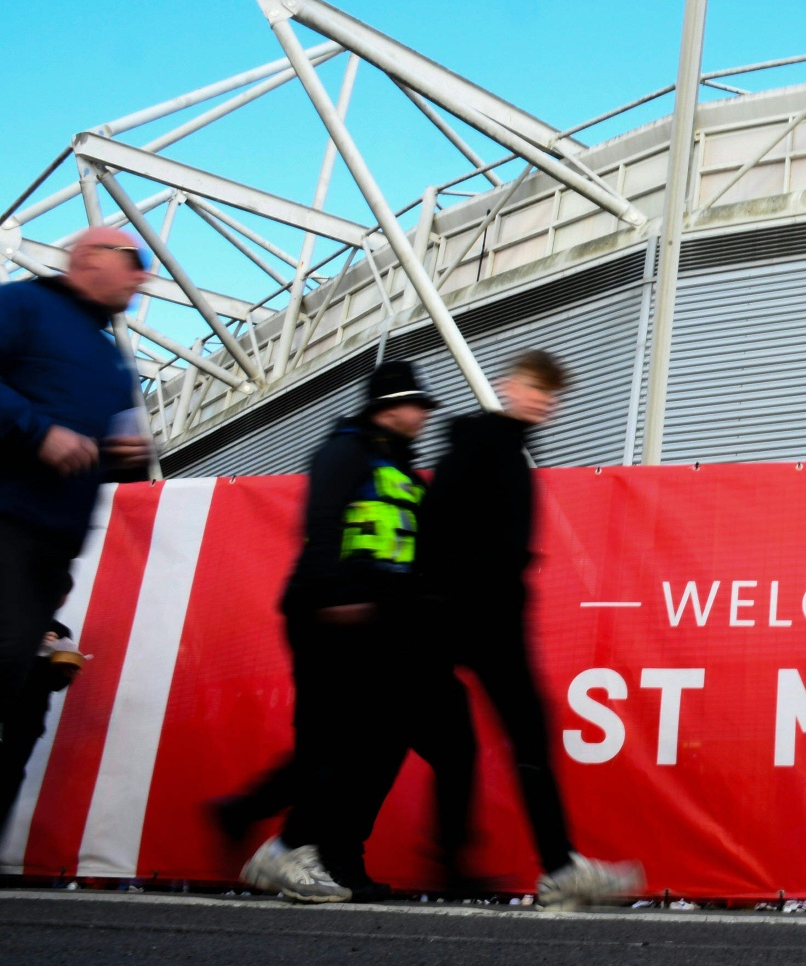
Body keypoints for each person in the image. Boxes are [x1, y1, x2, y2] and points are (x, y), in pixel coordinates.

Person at [241, 360, 474, 903]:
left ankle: (334, 857)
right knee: (337, 743)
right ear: (389, 407)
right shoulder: (345, 452)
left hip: (381, 625)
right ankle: (284, 852)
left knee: (372, 743)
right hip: (331, 618)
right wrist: (335, 597)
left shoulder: (403, 469)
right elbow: (322, 524)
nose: (424, 415)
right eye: (416, 405)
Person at [417, 351, 641, 910]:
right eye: (536, 388)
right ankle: (556, 867)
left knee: (453, 741)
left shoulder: (508, 446)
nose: (544, 401)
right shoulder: (484, 442)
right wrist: (459, 592)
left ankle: (477, 864)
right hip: (474, 615)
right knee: (510, 735)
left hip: (477, 613)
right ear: (508, 386)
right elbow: (440, 522)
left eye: (551, 394)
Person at [0, 226, 151, 829]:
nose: (144, 275)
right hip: (6, 520)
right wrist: (38, 432)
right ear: (89, 257)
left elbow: (122, 457)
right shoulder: (22, 305)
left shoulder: (113, 359)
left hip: (52, 548)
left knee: (21, 692)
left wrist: (126, 456)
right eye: (134, 259)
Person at [0, 622, 82, 823]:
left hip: (27, 717)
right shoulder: (9, 616)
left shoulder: (60, 631)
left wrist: (66, 673)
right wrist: (29, 643)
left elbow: (55, 684)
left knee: (10, 774)